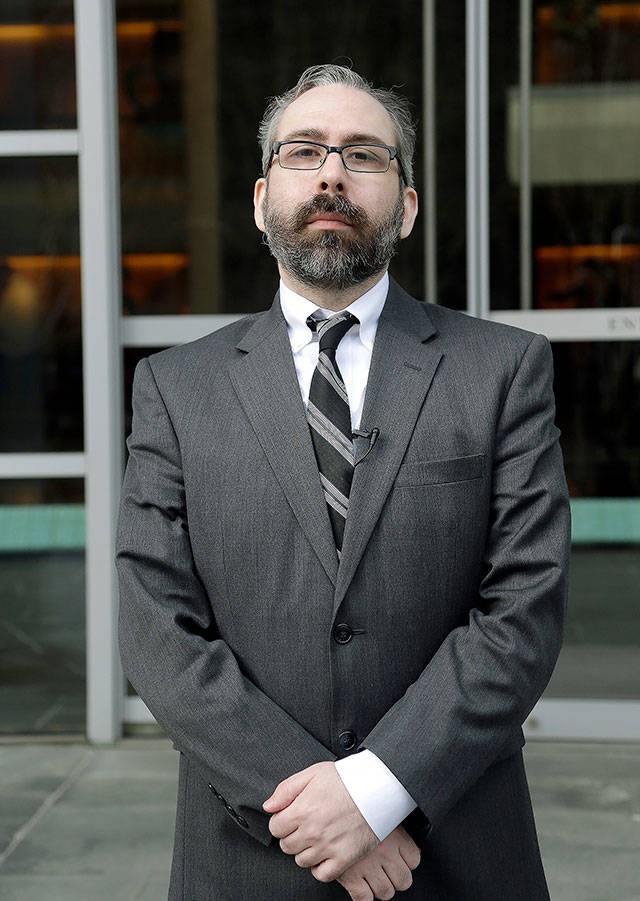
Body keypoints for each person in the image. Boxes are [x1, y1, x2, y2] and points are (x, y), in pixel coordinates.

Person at [116, 64, 571, 900]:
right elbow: (157, 629)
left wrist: (376, 789)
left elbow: (524, 609)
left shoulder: (503, 371)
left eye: (365, 154)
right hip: (248, 856)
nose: (332, 172)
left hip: (456, 854)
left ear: (405, 206)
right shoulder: (175, 389)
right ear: (261, 200)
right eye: (305, 151)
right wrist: (318, 804)